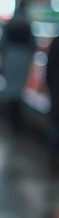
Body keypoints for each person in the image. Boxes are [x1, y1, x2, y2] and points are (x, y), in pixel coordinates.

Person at [0, 4, 36, 132]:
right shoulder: (27, 26)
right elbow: (33, 46)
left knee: (10, 91)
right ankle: (18, 122)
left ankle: (12, 120)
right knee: (19, 91)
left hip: (10, 59)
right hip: (23, 60)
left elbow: (2, 45)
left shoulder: (8, 26)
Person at [46, 35, 59, 173]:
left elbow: (50, 67)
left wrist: (51, 86)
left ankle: (53, 154)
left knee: (55, 122)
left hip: (57, 88)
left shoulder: (56, 41)